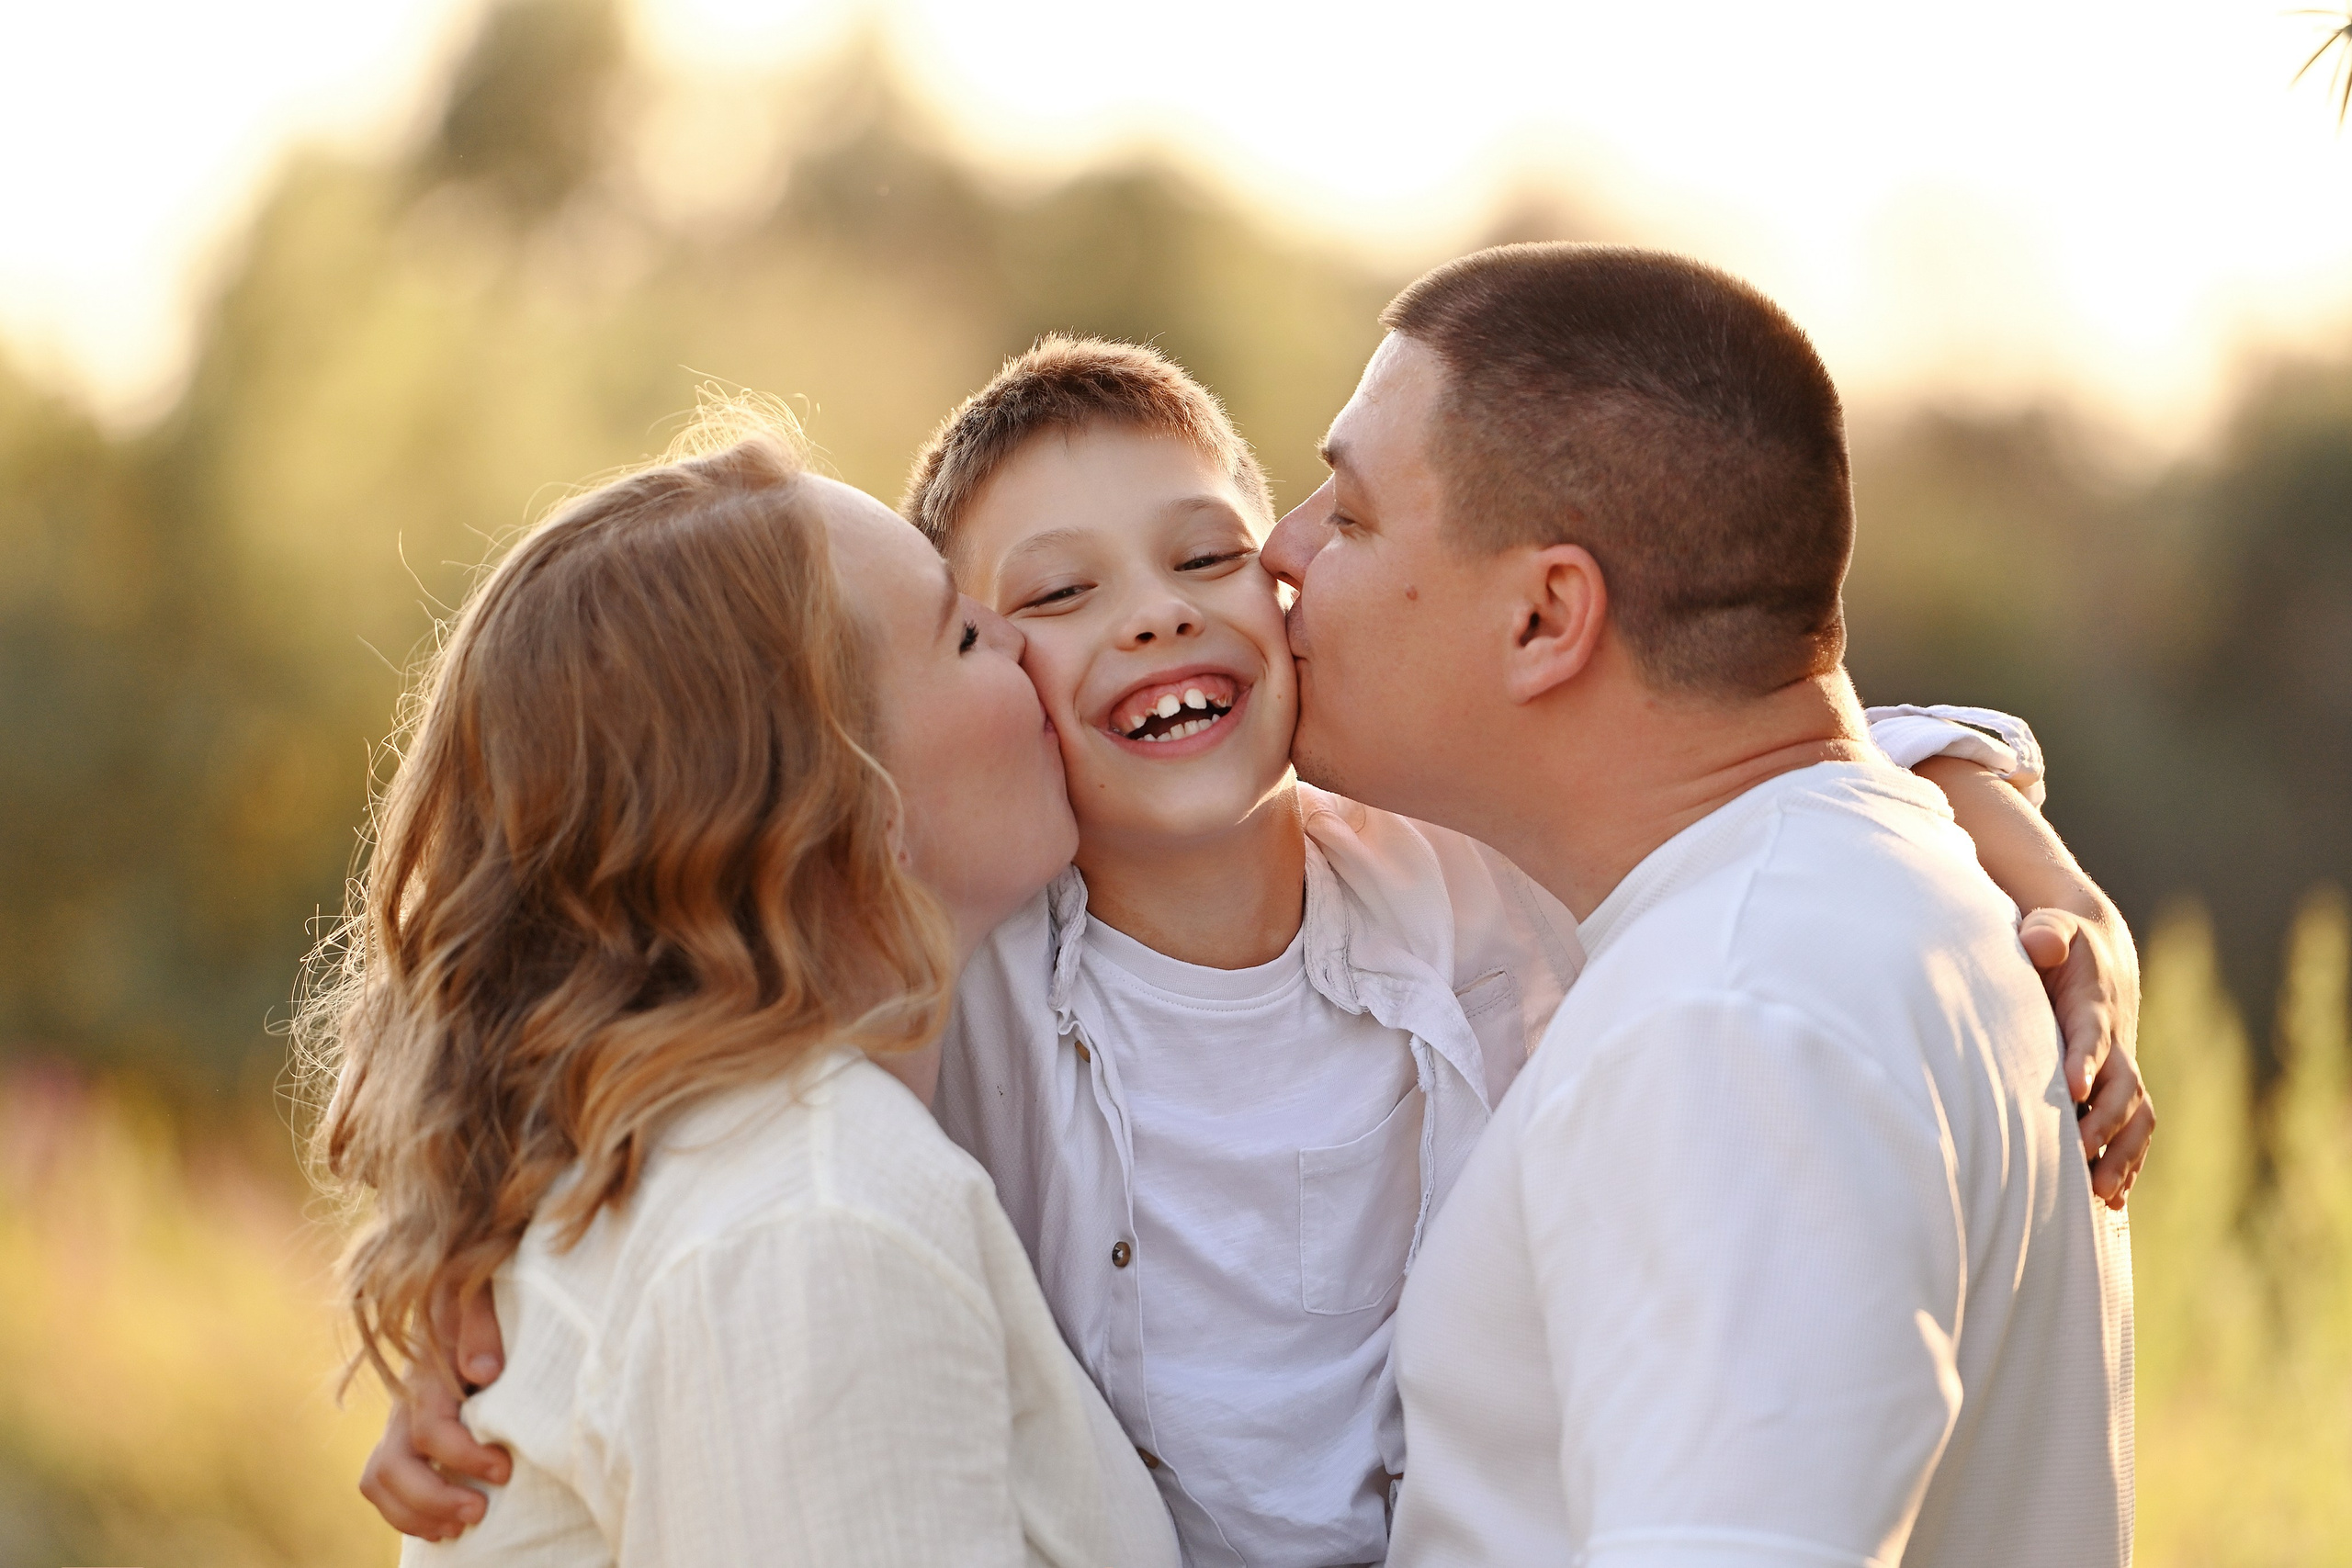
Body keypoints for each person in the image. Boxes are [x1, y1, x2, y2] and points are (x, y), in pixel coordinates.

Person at [364, 341, 2147, 1566]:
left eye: (1209, 553)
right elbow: (657, 1097)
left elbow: (1702, 743)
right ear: (841, 774)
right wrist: (478, 1301)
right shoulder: (921, 1054)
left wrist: (1986, 813)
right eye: (1006, 616)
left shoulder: (1458, 891)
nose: (1143, 613)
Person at [1258, 243, 2136, 1564]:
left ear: (1548, 615)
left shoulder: (1730, 1017)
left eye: (1352, 512)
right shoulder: (1889, 890)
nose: (1281, 548)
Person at [305, 412, 1180, 1566]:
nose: (1025, 644)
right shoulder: (818, 1224)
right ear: (847, 805)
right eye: (964, 634)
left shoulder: (725, 1173)